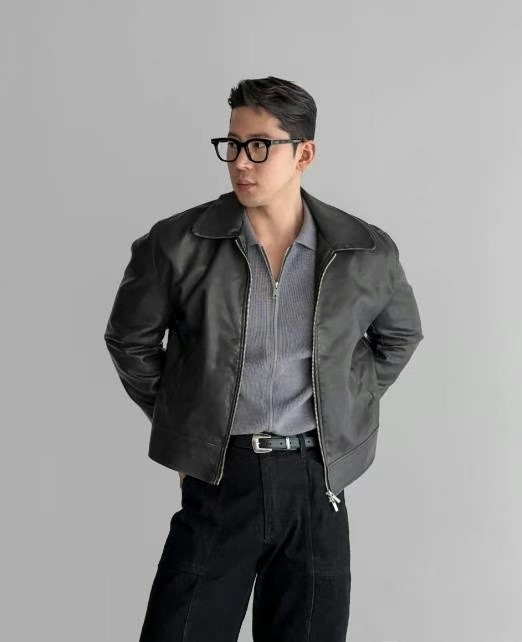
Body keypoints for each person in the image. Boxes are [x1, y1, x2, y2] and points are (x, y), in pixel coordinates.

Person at [104, 75, 424, 642]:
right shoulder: (177, 243)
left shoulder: (364, 250)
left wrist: (343, 406)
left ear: (304, 154)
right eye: (232, 144)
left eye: (259, 146)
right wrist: (189, 424)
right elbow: (131, 341)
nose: (240, 162)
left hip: (317, 480)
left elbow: (399, 337)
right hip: (221, 475)